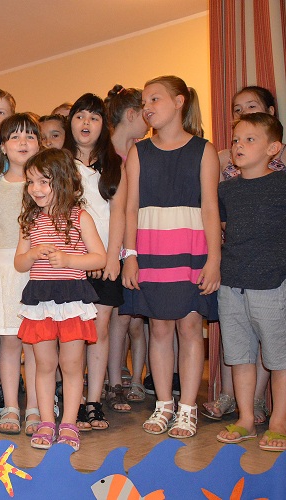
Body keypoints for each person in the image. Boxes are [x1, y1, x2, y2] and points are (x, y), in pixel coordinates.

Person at [123, 75, 220, 439]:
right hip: (151, 249)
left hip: (192, 250)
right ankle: (164, 403)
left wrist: (214, 259)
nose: (147, 108)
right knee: (159, 328)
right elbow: (130, 208)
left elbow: (210, 207)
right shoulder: (139, 152)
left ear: (179, 101)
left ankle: (187, 407)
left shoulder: (204, 150)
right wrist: (130, 256)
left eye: (155, 99)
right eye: (144, 102)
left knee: (190, 327)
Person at [15, 148, 106, 452]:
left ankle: (68, 422)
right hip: (40, 300)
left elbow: (99, 257)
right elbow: (19, 263)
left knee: (71, 364)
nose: (36, 189)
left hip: (72, 300)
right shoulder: (31, 220)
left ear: (64, 180)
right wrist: (31, 254)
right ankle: (46, 421)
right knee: (44, 364)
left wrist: (68, 260)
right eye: (31, 182)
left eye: (44, 181)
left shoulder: (80, 217)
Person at [204, 85, 284, 424]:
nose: (239, 145)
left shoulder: (282, 184)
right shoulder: (226, 189)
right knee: (239, 355)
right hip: (232, 283)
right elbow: (223, 228)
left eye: (250, 140)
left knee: (278, 357)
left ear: (273, 148)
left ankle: (278, 421)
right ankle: (246, 418)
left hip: (271, 284)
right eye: (236, 139)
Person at [0, 113, 40, 435]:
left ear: (40, 144)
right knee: (10, 344)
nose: (23, 142)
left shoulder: (45, 187)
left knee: (37, 345)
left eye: (30, 136)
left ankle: (37, 407)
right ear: (2, 147)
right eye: (15, 137)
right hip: (3, 272)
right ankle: (11, 406)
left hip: (40, 272)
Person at [64, 93, 125, 429]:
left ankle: (93, 401)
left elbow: (119, 213)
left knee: (99, 330)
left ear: (104, 125)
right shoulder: (58, 162)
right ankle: (71, 400)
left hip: (104, 263)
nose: (86, 123)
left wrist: (113, 256)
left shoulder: (114, 164)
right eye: (80, 116)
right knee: (71, 333)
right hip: (70, 261)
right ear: (70, 122)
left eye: (94, 117)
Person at [104, 85, 150, 409]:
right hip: (108, 246)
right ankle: (112, 379)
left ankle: (134, 379)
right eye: (145, 113)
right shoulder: (106, 155)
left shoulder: (142, 153)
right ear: (132, 115)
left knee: (134, 319)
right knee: (113, 318)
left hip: (134, 245)